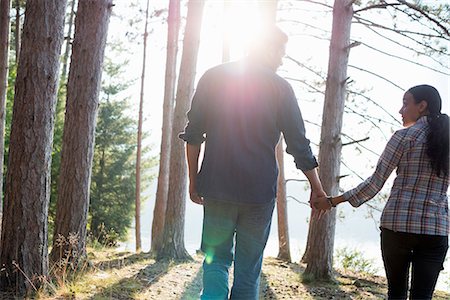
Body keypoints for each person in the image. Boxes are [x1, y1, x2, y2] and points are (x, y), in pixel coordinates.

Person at [179, 25, 325, 300]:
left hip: (217, 188)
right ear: (267, 48)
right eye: (280, 52)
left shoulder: (213, 77)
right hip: (258, 193)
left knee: (216, 260)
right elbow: (299, 144)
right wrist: (316, 188)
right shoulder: (280, 88)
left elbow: (194, 135)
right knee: (248, 272)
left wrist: (194, 180)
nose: (281, 59)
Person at [312, 84, 449, 300]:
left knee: (396, 294)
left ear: (422, 106)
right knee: (423, 296)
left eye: (406, 103)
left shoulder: (403, 137)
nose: (400, 110)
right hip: (435, 230)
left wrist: (332, 201)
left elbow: (375, 183)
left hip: (397, 228)